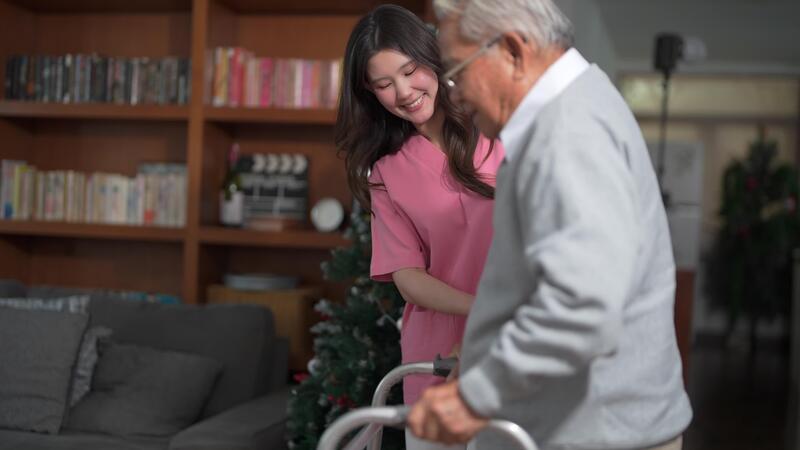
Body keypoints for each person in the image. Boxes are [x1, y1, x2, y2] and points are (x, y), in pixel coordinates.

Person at [407, 0, 693, 449]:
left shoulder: (568, 133)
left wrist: (476, 397)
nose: (454, 94)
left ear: (514, 52)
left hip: (597, 434)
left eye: (457, 72)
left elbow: (580, 306)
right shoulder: (574, 110)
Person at [334, 4, 504, 450]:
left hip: (513, 334)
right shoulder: (386, 170)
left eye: (411, 71)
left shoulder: (495, 126)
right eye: (384, 84)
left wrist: (499, 312)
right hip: (438, 350)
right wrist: (481, 307)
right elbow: (408, 279)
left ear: (432, 59)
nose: (404, 92)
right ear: (370, 93)